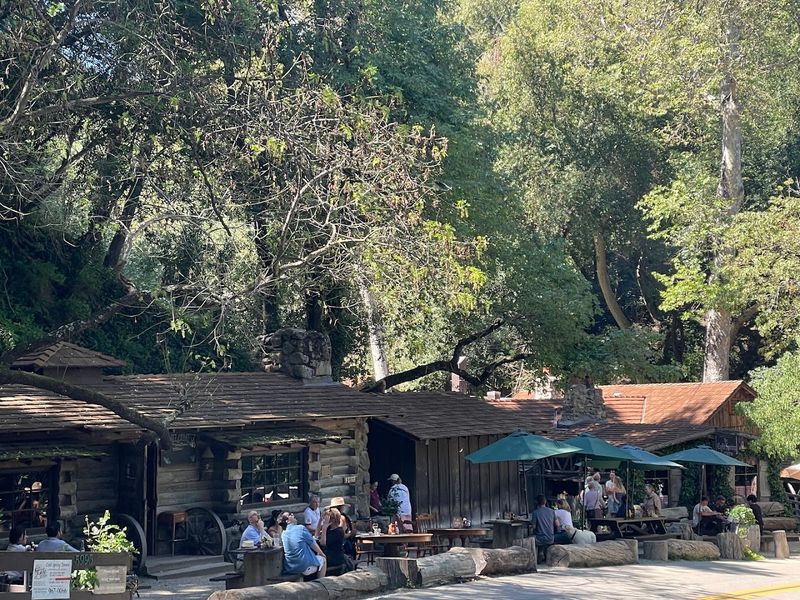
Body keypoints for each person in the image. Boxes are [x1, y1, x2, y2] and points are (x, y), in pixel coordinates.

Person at [281, 513, 327, 578]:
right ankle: (322, 583)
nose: (292, 514)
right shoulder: (301, 528)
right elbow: (312, 543)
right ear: (287, 521)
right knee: (323, 559)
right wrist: (322, 554)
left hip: (290, 567)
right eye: (289, 515)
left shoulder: (283, 533)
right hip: (303, 567)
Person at [317, 508, 352, 573]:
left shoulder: (338, 531)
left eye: (326, 518)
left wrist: (324, 527)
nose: (325, 520)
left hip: (334, 557)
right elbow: (317, 536)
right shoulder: (329, 529)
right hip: (326, 555)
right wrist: (320, 520)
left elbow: (323, 543)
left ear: (332, 519)